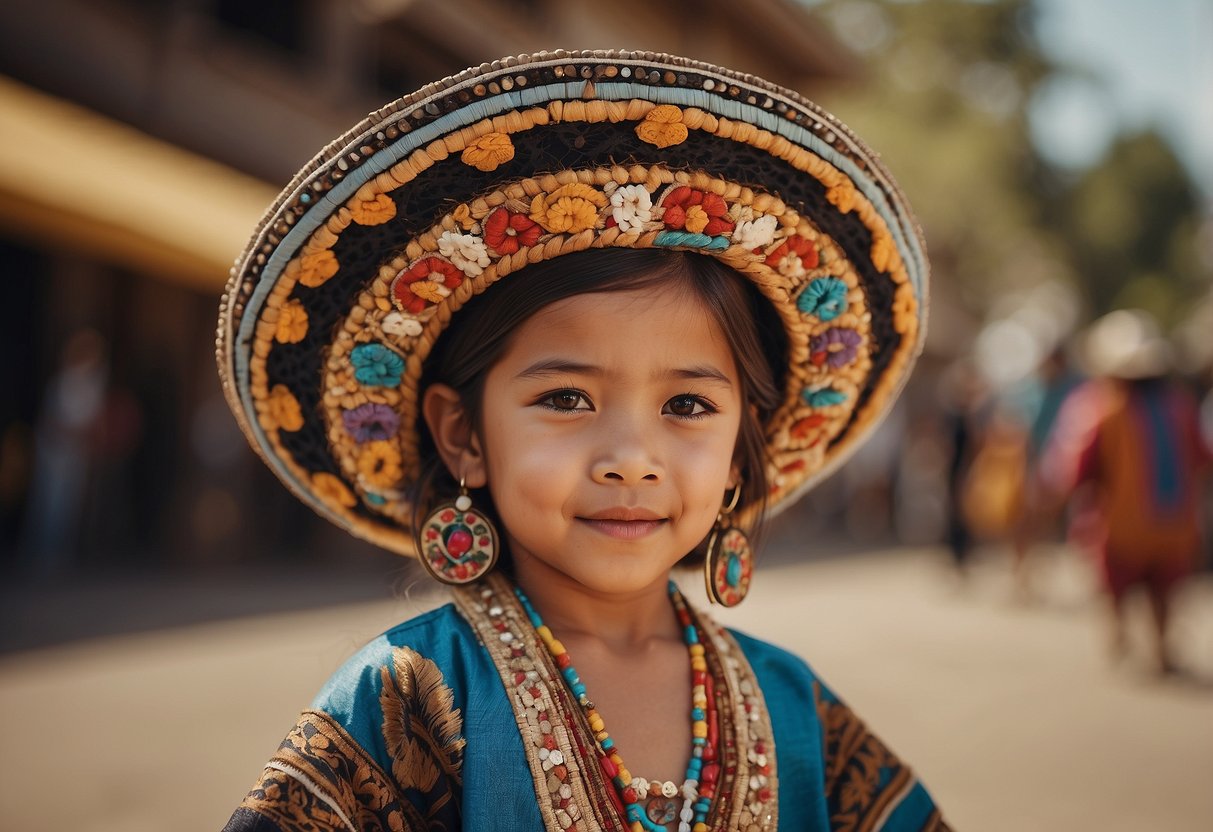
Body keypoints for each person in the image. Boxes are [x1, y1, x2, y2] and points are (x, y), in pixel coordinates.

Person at [217, 51, 946, 831]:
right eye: (565, 398)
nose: (631, 457)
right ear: (463, 435)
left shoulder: (795, 708)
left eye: (689, 404)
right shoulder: (406, 702)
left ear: (742, 448)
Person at [1044, 310, 1211, 674]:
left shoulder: (1103, 406)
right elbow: (1202, 458)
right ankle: (1161, 649)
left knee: (1117, 585)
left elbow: (1081, 467)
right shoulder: (1179, 404)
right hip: (1175, 521)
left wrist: (1062, 499)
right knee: (1163, 587)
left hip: (1122, 523)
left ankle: (1120, 637)